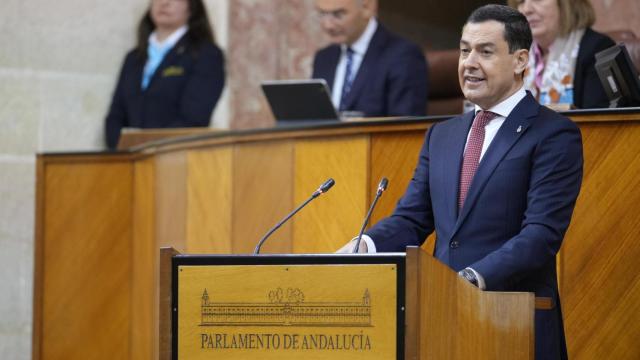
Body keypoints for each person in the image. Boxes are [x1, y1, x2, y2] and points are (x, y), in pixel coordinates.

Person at [339, 5, 583, 359]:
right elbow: (412, 218)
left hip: (513, 324)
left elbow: (540, 236)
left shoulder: (554, 134)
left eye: (485, 51)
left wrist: (468, 280)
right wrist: (364, 246)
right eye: (464, 49)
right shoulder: (442, 135)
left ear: (519, 61)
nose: (469, 62)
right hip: (441, 323)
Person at [105, 0, 225, 149]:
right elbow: (115, 116)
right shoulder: (133, 58)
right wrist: (122, 148)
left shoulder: (206, 54)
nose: (164, 3)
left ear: (192, 7)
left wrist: (148, 148)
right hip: (129, 161)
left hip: (176, 157)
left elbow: (194, 118)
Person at [312, 0, 428, 117]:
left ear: (367, 7)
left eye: (338, 14)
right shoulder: (324, 57)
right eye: (322, 14)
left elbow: (406, 126)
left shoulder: (403, 55)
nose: (328, 25)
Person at [509, 0, 615, 109]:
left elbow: (598, 121)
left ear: (566, 4)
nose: (527, 9)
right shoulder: (514, 54)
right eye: (521, 1)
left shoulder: (597, 48)